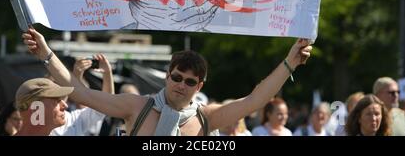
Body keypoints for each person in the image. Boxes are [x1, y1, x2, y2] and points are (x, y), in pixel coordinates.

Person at [22, 27, 312, 136]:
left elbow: (256, 100)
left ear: (199, 86)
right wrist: (47, 53)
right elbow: (82, 94)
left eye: (189, 81)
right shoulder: (137, 107)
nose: (180, 85)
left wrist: (291, 62)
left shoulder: (206, 117)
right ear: (167, 75)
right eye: (176, 77)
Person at [50, 54, 113, 136]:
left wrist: (107, 73)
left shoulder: (73, 120)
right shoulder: (37, 118)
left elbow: (107, 104)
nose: (64, 105)